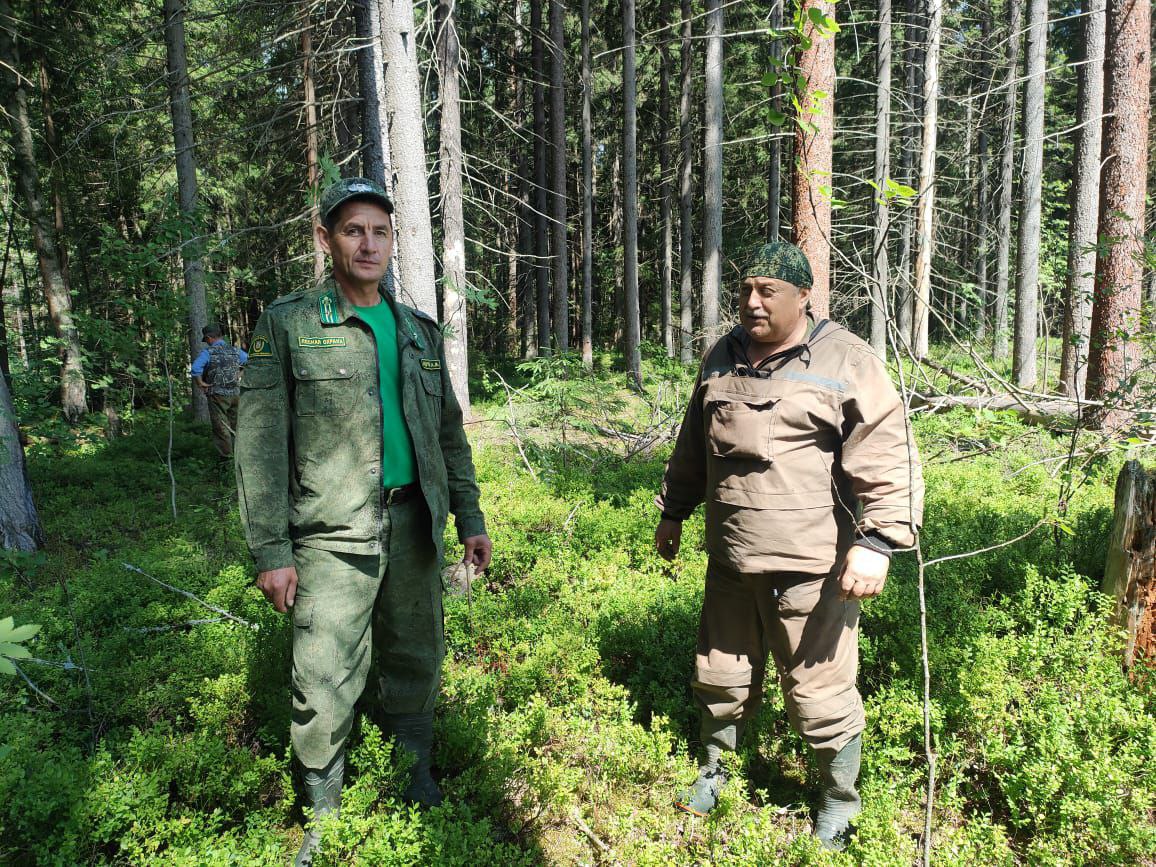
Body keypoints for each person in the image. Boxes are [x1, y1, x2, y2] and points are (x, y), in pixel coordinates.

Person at [234, 177, 492, 867]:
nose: (368, 243)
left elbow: (449, 435)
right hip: (329, 538)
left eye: (379, 230)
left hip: (415, 528)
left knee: (415, 659)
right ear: (327, 239)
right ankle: (323, 809)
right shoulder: (289, 324)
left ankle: (413, 775)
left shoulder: (416, 330)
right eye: (353, 230)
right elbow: (259, 442)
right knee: (323, 680)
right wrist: (270, 548)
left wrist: (470, 514)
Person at [654, 241, 923, 849]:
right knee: (720, 675)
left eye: (768, 290)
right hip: (730, 557)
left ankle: (838, 798)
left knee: (819, 693)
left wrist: (878, 541)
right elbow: (693, 444)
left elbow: (886, 452)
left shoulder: (847, 360)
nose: (752, 302)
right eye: (746, 288)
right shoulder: (720, 357)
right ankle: (714, 770)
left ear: (804, 296)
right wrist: (674, 510)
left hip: (812, 568)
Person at [191, 324, 247, 457]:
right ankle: (241, 457)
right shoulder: (235, 350)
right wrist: (239, 375)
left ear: (209, 338)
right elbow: (251, 361)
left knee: (221, 427)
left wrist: (201, 383)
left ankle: (226, 459)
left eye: (207, 340)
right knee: (237, 425)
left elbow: (195, 368)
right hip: (236, 394)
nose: (207, 343)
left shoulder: (208, 353)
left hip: (217, 396)